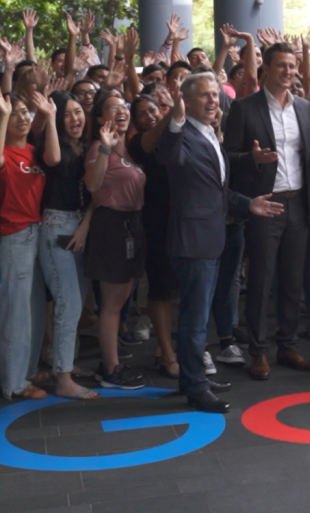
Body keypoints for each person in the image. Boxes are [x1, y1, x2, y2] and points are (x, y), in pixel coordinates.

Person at [157, 72, 284, 412]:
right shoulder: (180, 135)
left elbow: (218, 191)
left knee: (198, 318)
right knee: (195, 320)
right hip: (193, 242)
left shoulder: (211, 135)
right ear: (186, 100)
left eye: (215, 94)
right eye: (204, 95)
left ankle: (193, 376)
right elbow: (168, 154)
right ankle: (196, 387)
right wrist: (176, 116)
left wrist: (248, 204)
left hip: (211, 239)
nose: (214, 101)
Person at [223, 42, 310, 381]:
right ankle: (259, 351)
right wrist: (253, 160)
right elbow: (228, 157)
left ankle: (287, 345)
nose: (289, 72)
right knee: (261, 279)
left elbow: (307, 152)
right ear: (266, 70)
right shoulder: (245, 108)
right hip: (265, 204)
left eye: (292, 66)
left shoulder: (305, 106)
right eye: (281, 66)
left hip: (300, 202)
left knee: (293, 279)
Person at [0, 87, 51, 400]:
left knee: (34, 310)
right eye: (14, 114)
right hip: (12, 238)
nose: (22, 118)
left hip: (37, 235)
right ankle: (13, 383)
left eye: (25, 112)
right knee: (14, 313)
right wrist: (4, 112)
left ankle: (25, 371)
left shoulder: (33, 152)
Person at [37, 91, 99, 399]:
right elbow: (54, 160)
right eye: (67, 114)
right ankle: (62, 378)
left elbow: (93, 193)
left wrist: (86, 225)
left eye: (78, 112)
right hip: (56, 226)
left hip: (81, 226)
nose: (75, 118)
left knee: (78, 301)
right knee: (68, 303)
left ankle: (67, 364)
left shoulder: (87, 146)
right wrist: (49, 116)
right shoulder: (52, 146)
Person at [83, 91, 147, 389]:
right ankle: (111, 370)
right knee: (110, 303)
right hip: (111, 227)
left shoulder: (129, 146)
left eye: (124, 106)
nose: (121, 110)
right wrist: (106, 151)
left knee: (120, 300)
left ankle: (109, 363)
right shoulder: (100, 147)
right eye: (112, 108)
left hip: (131, 225)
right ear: (99, 118)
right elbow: (93, 186)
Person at [126, 92, 180, 379]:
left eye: (154, 110)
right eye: (144, 113)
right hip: (155, 222)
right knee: (160, 288)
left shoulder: (176, 134)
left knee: (177, 289)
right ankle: (167, 352)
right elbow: (152, 138)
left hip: (182, 219)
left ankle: (167, 347)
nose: (151, 115)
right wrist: (171, 112)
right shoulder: (138, 143)